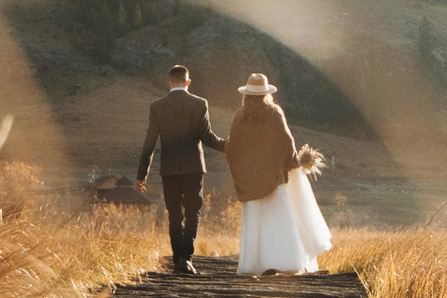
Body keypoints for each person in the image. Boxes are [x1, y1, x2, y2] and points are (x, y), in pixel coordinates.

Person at [226, 72, 332, 276]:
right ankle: (284, 262)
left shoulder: (239, 116)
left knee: (256, 221)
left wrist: (244, 172)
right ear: (266, 94)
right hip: (274, 179)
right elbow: (286, 142)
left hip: (250, 182)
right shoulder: (274, 113)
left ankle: (254, 265)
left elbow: (233, 149)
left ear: (247, 95)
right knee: (278, 220)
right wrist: (289, 164)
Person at [135, 64, 224, 275]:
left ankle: (177, 260)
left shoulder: (157, 107)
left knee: (174, 214)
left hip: (169, 169)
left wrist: (141, 175)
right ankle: (186, 258)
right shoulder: (200, 104)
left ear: (168, 82)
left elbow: (149, 143)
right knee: (193, 212)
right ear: (188, 81)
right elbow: (207, 138)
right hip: (194, 168)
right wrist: (230, 146)